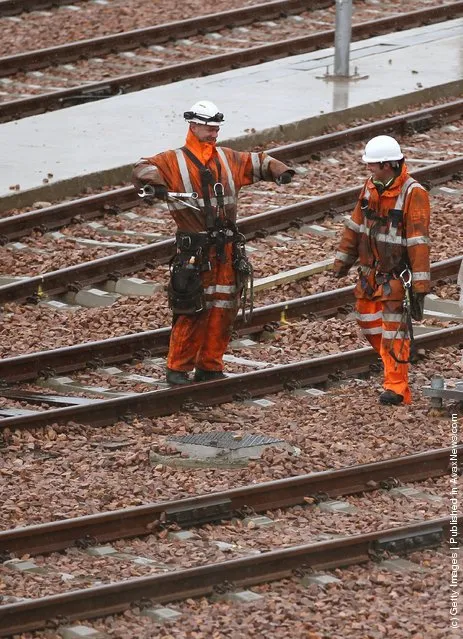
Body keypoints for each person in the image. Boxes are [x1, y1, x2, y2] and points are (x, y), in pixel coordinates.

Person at [132, 100, 294, 385]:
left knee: (223, 309)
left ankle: (210, 365)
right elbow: (143, 167)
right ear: (193, 126)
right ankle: (178, 368)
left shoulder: (227, 158)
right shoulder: (173, 161)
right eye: (208, 128)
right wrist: (155, 184)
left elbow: (257, 162)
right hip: (195, 250)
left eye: (216, 128)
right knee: (191, 307)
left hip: (226, 251)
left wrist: (279, 170)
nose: (213, 133)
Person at [333, 135, 430, 405]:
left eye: (372, 164)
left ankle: (397, 388)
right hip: (369, 274)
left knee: (393, 331)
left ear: (388, 165)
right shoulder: (370, 187)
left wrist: (420, 288)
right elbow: (355, 225)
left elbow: (419, 242)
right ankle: (390, 365)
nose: (368, 168)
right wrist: (343, 260)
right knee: (367, 322)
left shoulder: (414, 193)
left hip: (396, 277)